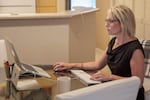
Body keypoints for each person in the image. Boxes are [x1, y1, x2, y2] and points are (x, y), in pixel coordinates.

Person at [53, 5, 145, 100]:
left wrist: (110, 77)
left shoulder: (135, 49)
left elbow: (138, 83)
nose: (106, 24)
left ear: (123, 23)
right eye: (106, 21)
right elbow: (98, 64)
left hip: (130, 94)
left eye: (111, 21)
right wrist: (70, 65)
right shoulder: (113, 41)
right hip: (116, 87)